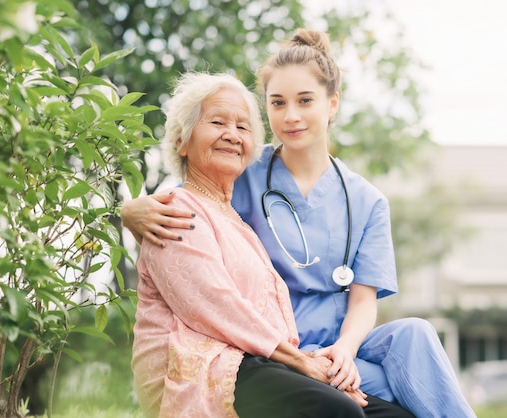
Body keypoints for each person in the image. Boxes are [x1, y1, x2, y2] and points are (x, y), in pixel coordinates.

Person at [125, 30, 475, 418]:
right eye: (277, 103)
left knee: (414, 334)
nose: (290, 116)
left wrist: (343, 351)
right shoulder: (242, 169)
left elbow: (363, 301)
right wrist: (129, 210)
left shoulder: (368, 201)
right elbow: (185, 196)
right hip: (266, 349)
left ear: (332, 103)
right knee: (401, 394)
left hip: (333, 350)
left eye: (305, 101)